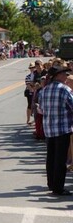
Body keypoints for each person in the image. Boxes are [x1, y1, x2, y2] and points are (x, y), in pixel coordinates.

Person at [40, 65, 73, 195]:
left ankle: (51, 183)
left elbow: (41, 109)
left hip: (49, 129)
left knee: (51, 157)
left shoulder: (45, 90)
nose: (66, 76)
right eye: (64, 74)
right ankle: (58, 187)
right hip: (63, 128)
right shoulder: (65, 90)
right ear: (58, 76)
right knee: (60, 159)